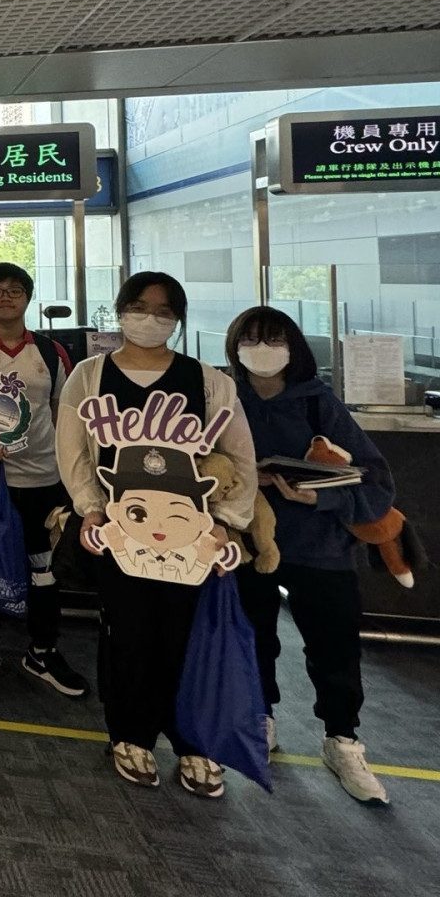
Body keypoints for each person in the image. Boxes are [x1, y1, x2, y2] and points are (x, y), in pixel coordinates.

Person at [56, 272, 256, 797]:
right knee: (127, 634)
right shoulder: (89, 376)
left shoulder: (208, 381)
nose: (150, 318)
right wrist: (90, 510)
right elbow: (73, 453)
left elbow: (239, 456)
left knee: (186, 636)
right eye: (140, 307)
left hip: (192, 536)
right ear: (121, 310)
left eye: (164, 311)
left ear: (178, 320)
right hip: (122, 534)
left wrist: (225, 521)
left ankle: (194, 741)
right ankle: (130, 734)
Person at [225, 306, 395, 804]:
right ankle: (261, 717)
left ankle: (342, 739)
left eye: (273, 339)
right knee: (253, 637)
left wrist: (319, 497)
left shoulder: (320, 403)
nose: (262, 350)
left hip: (322, 547)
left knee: (333, 645)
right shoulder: (226, 399)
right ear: (234, 346)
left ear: (294, 347)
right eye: (250, 339)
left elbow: (375, 481)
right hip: (251, 544)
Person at [0, 263, 88, 698]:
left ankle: (43, 649)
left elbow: (64, 411)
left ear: (28, 297)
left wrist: (72, 474)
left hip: (43, 480)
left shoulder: (50, 352)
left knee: (43, 569)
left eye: (15, 290)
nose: (6, 297)